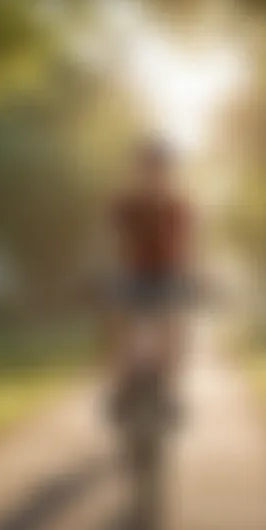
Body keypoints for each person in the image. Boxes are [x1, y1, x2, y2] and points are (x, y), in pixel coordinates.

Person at [107, 137, 193, 422]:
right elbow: (107, 243)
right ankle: (121, 388)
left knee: (175, 327)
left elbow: (190, 249)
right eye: (148, 169)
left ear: (170, 173)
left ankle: (169, 391)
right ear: (138, 171)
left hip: (168, 276)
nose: (155, 175)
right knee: (120, 326)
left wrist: (196, 277)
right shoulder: (125, 206)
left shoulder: (179, 208)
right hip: (132, 275)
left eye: (161, 169)